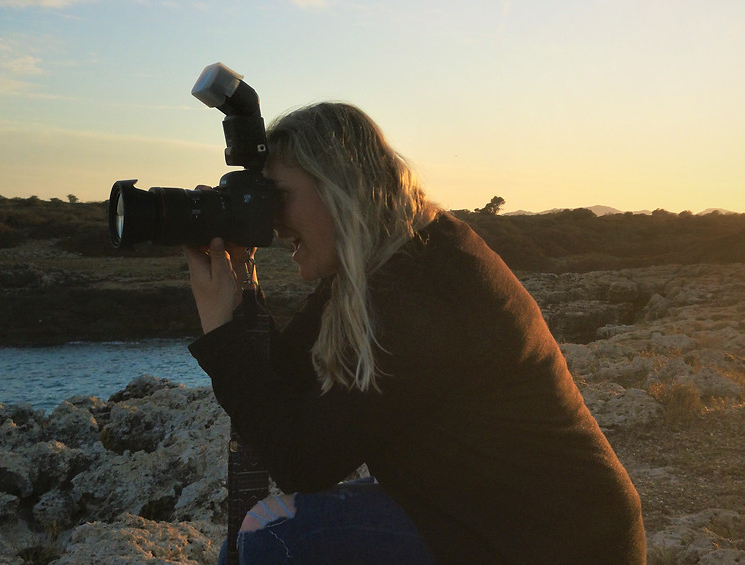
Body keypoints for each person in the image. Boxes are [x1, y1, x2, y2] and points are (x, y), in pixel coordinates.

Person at [184, 102, 646, 564]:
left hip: (553, 541)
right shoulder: (390, 258)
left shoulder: (421, 293)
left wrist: (221, 331)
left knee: (274, 540)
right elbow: (285, 373)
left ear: (338, 186)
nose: (272, 221)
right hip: (476, 508)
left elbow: (301, 462)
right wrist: (243, 280)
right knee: (243, 548)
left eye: (279, 196)